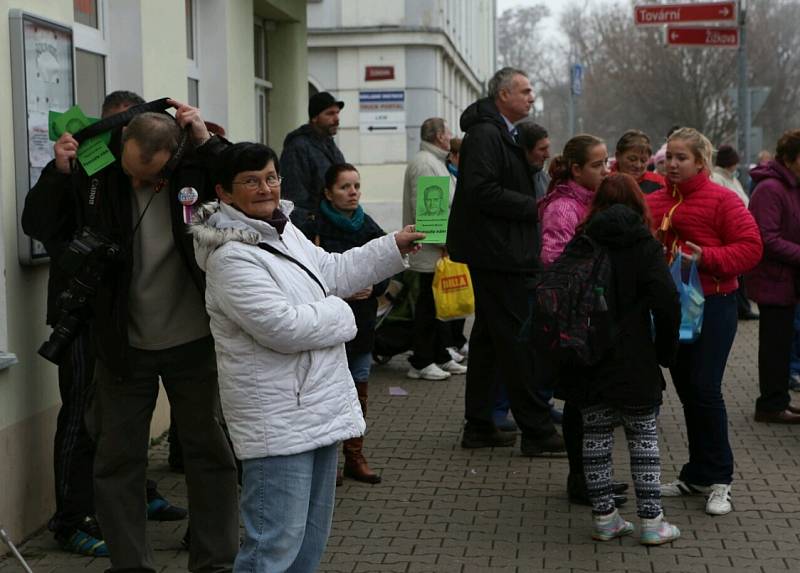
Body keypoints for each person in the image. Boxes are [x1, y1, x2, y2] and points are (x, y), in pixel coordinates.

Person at [24, 99, 239, 572]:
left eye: (152, 175)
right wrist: (57, 174)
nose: (139, 182)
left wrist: (208, 141)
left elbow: (250, 187)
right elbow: (40, 225)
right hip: (122, 344)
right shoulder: (100, 172)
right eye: (132, 171)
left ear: (175, 156)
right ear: (123, 149)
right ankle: (131, 566)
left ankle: (215, 561)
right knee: (118, 462)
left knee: (210, 455)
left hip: (193, 341)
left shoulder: (197, 166)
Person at [190, 142, 422, 572]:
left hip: (317, 407)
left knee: (307, 547)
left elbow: (330, 271)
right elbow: (283, 327)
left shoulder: (282, 229)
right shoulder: (230, 256)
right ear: (223, 193)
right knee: (271, 550)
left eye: (271, 177)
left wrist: (393, 245)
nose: (266, 188)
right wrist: (342, 310)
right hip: (277, 422)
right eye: (252, 181)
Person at [447, 67, 564, 455]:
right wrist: (534, 207)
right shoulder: (485, 133)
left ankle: (479, 425)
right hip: (497, 253)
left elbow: (500, 181)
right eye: (525, 91)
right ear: (503, 95)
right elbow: (481, 190)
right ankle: (537, 431)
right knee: (517, 341)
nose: (531, 97)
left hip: (500, 250)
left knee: (489, 340)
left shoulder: (499, 131)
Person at [559, 173, 681, 544]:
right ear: (637, 203)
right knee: (643, 437)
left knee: (594, 437)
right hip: (634, 355)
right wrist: (665, 352)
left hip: (588, 355)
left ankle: (605, 519)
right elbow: (667, 302)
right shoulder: (643, 244)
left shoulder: (583, 241)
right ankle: (651, 522)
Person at [647, 127, 762, 516]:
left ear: (701, 162)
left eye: (682, 158)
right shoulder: (656, 200)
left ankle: (720, 480)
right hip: (671, 309)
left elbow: (750, 249)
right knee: (686, 390)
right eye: (669, 158)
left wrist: (706, 258)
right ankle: (695, 474)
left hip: (714, 305)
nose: (673, 165)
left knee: (705, 387)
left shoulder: (723, 200)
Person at [538, 135, 628, 507]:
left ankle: (593, 476)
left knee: (590, 403)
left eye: (606, 162)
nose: (605, 170)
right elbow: (554, 263)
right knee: (580, 403)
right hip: (574, 322)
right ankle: (582, 481)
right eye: (597, 164)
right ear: (576, 169)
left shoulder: (593, 202)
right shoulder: (563, 207)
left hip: (590, 316)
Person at [316, 163, 388, 483]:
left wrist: (375, 287)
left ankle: (355, 456)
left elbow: (385, 264)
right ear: (328, 192)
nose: (353, 192)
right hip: (329, 323)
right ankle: (328, 461)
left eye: (356, 186)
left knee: (358, 390)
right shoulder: (312, 226)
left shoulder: (368, 226)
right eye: (345, 187)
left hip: (362, 322)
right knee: (329, 391)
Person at [402, 118, 467, 380]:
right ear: (440, 136)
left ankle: (439, 355)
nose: (451, 135)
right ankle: (421, 361)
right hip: (432, 251)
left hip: (438, 250)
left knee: (438, 307)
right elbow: (430, 213)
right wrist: (446, 245)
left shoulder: (434, 161)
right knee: (428, 308)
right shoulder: (427, 164)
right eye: (448, 131)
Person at [747, 129, 800, 423]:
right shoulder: (770, 189)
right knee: (774, 345)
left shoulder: (792, 186)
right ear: (790, 159)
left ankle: (780, 398)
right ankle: (769, 404)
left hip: (788, 279)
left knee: (782, 343)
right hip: (773, 279)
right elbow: (766, 237)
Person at [280, 91, 346, 239]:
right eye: (330, 114)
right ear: (315, 117)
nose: (336, 119)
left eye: (337, 113)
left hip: (334, 224)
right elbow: (294, 195)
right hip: (313, 232)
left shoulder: (328, 144)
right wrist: (311, 225)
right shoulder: (298, 147)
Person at [711, 144, 759, 320]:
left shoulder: (731, 178)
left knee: (741, 273)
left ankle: (743, 306)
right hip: (730, 231)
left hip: (740, 227)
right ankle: (742, 308)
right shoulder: (717, 178)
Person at [613, 130, 665, 194]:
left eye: (643, 161)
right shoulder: (604, 182)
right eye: (632, 159)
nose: (638, 165)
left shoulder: (660, 183)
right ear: (618, 156)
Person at [516, 119, 551, 201]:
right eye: (542, 149)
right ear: (525, 151)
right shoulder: (510, 183)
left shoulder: (544, 178)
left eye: (547, 148)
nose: (547, 155)